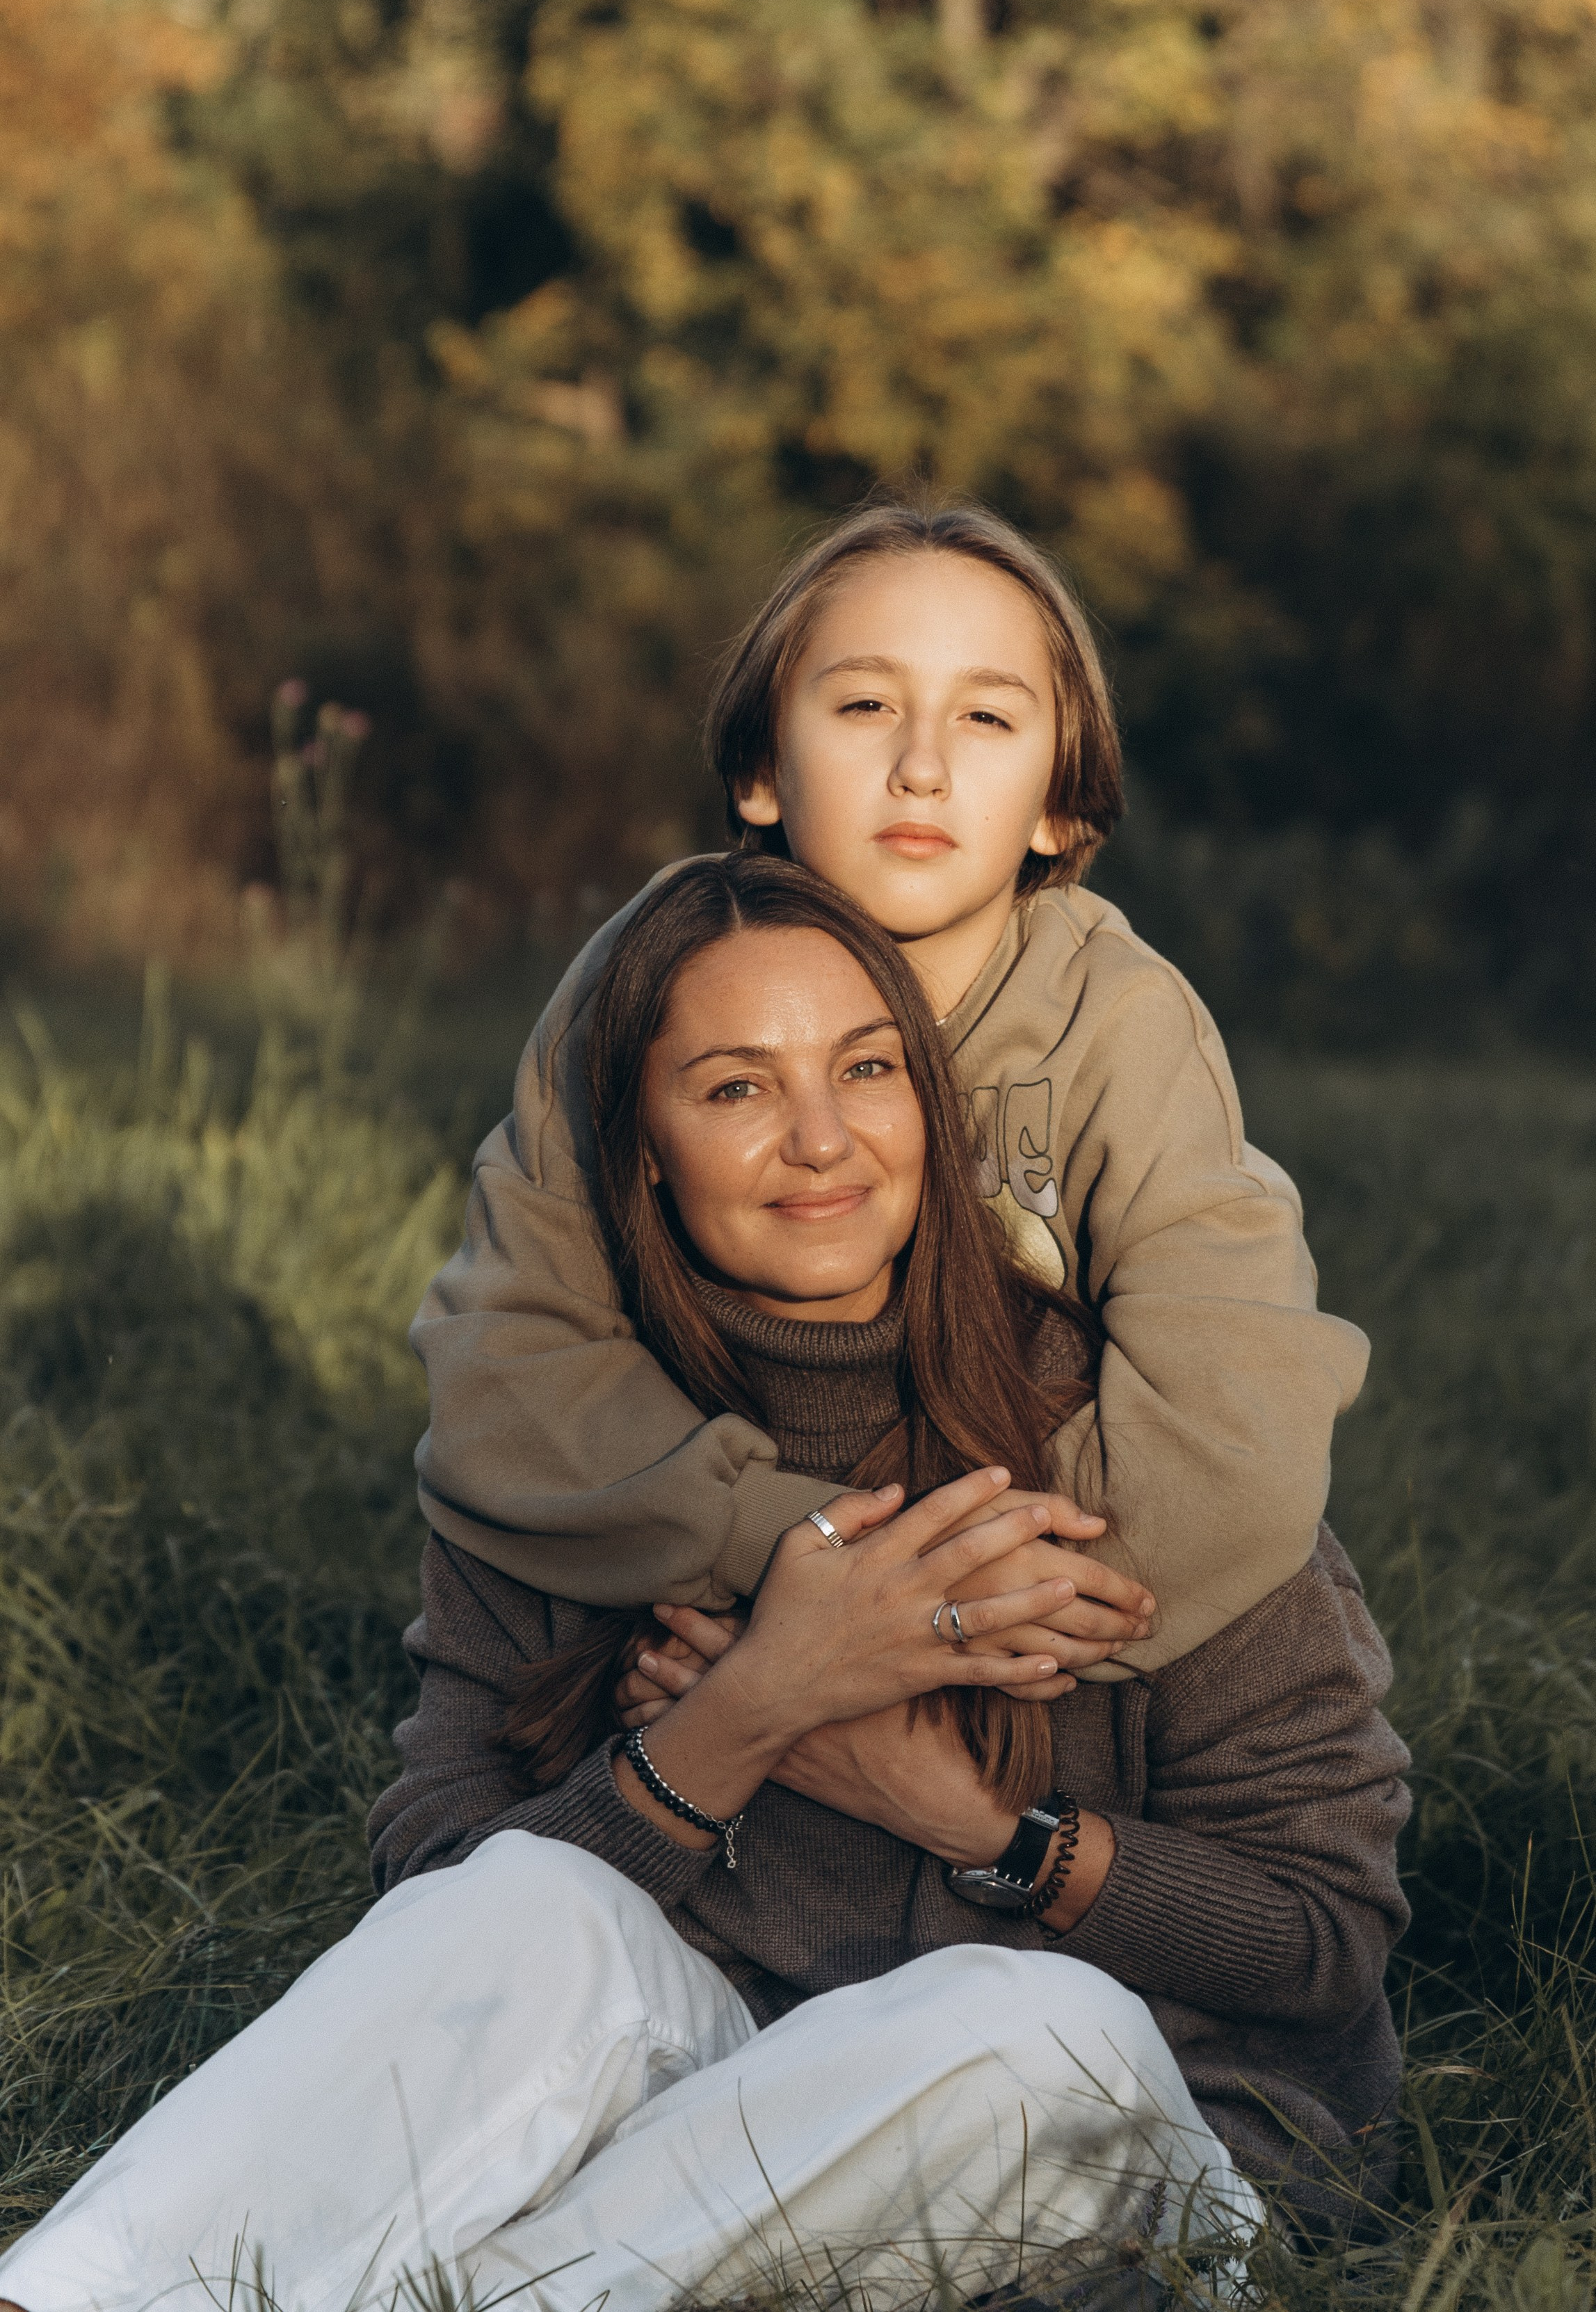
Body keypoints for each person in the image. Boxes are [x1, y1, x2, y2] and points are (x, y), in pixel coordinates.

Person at [0, 861, 1410, 2312]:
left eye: (865, 1069)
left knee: (1024, 2021)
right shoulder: (571, 1449)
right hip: (710, 2134)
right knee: (530, 1899)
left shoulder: (1142, 1446)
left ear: (931, 1102)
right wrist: (751, 1711)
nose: (819, 1139)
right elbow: (437, 1919)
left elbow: (1320, 1938)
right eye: (736, 1089)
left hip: (1131, 2152)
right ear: (643, 1150)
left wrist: (971, 1820)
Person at [410, 499, 1371, 1680]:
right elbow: (510, 1355)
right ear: (762, 768)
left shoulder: (1117, 1019)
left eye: (985, 717)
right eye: (865, 706)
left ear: (1061, 800)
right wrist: (802, 1566)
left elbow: (1239, 1397)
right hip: (725, 1586)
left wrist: (962, 1615)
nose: (922, 767)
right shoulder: (648, 973)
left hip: (1043, 1632)